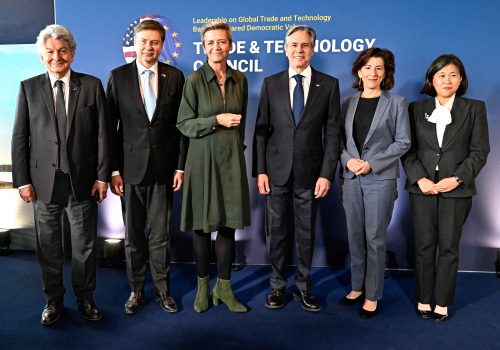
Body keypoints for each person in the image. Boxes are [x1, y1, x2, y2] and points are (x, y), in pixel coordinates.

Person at [11, 24, 110, 325]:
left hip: (82, 183)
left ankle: (85, 298)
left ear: (72, 53)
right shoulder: (28, 88)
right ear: (42, 56)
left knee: (85, 248)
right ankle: (53, 301)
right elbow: (20, 138)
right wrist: (23, 180)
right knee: (49, 248)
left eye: (63, 51)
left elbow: (104, 135)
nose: (57, 57)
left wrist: (102, 176)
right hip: (43, 186)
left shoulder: (91, 86)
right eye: (50, 52)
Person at [252, 25, 341, 312]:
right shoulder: (271, 83)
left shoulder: (328, 85)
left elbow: (333, 133)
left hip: (311, 172)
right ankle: (277, 286)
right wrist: (261, 170)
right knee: (275, 232)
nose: (298, 50)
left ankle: (303, 286)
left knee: (306, 233)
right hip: (275, 171)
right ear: (285, 48)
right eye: (293, 45)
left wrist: (327, 173)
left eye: (304, 45)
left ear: (312, 49)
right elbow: (261, 131)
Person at [106, 19, 187, 315]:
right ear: (135, 44)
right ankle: (137, 289)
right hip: (130, 170)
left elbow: (181, 128)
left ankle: (163, 289)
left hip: (165, 170)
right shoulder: (118, 77)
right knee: (134, 236)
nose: (148, 48)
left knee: (161, 235)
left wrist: (180, 167)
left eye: (154, 42)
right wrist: (113, 171)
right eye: (143, 42)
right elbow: (109, 128)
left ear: (162, 45)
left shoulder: (176, 77)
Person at [403, 54, 489, 322]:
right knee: (424, 246)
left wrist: (458, 178)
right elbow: (408, 150)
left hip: (456, 190)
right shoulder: (416, 109)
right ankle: (423, 298)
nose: (447, 80)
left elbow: (479, 151)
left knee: (449, 247)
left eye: (453, 75)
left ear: (461, 79)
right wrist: (420, 179)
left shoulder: (474, 108)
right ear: (432, 79)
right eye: (441, 75)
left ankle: (442, 302)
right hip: (423, 189)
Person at [177, 21, 250, 313]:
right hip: (202, 161)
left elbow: (241, 123)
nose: (216, 47)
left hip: (231, 160)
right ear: (204, 47)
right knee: (203, 227)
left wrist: (236, 149)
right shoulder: (194, 79)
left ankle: (225, 288)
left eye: (221, 42)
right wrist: (216, 120)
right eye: (210, 43)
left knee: (228, 225)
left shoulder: (240, 79)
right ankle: (203, 287)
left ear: (230, 45)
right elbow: (184, 123)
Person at [339, 48, 410, 318]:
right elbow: (339, 142)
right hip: (350, 178)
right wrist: (347, 160)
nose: (373, 73)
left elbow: (403, 141)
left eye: (379, 68)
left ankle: (372, 295)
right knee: (355, 236)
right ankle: (356, 286)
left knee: (375, 239)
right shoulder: (348, 103)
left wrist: (372, 163)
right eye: (367, 67)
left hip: (380, 178)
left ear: (386, 73)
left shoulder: (396, 103)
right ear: (359, 71)